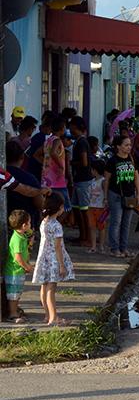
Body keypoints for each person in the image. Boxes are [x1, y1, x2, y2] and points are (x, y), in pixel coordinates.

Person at [32, 192, 74, 326]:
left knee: (44, 288)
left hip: (44, 259)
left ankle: (47, 315)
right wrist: (62, 265)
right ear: (60, 208)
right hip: (53, 260)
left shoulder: (44, 222)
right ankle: (54, 318)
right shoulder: (56, 226)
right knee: (51, 289)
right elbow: (57, 247)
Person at [104, 135, 139, 258]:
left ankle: (123, 248)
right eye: (126, 145)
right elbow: (107, 180)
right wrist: (105, 197)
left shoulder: (131, 159)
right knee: (116, 222)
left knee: (126, 223)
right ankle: (114, 248)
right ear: (118, 147)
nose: (129, 147)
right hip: (115, 195)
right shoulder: (112, 161)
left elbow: (136, 177)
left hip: (130, 195)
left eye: (129, 145)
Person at [4, 210, 34, 323]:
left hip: (18, 271)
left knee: (17, 292)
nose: (30, 225)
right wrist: (27, 267)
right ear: (24, 225)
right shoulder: (17, 239)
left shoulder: (21, 235)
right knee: (13, 294)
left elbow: (30, 236)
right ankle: (12, 314)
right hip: (14, 272)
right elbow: (18, 257)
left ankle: (15, 310)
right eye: (29, 223)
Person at [70, 117, 93, 246]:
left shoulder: (82, 142)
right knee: (77, 209)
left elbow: (84, 162)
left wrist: (71, 162)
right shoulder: (78, 141)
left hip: (83, 180)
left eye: (71, 126)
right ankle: (82, 236)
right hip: (79, 180)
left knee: (84, 211)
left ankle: (87, 238)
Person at [41, 116, 70, 215]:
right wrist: (61, 165)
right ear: (62, 128)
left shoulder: (47, 140)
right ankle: (54, 225)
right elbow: (53, 153)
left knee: (49, 206)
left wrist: (46, 164)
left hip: (47, 178)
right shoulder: (57, 141)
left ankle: (49, 224)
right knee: (66, 207)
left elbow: (38, 154)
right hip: (57, 179)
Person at [86, 161, 107, 253]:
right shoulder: (93, 181)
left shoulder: (103, 181)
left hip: (101, 207)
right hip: (91, 206)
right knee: (92, 227)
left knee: (101, 227)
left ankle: (101, 246)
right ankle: (94, 246)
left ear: (95, 170)